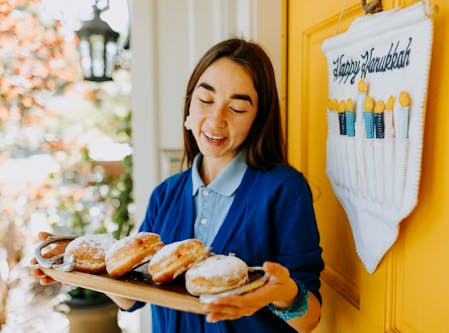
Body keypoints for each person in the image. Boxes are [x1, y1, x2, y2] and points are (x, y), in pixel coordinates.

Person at [33, 38, 324, 333]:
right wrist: (77, 267)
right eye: (206, 100)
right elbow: (132, 297)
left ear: (258, 119)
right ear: (189, 104)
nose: (216, 119)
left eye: (236, 108)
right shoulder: (166, 195)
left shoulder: (283, 189)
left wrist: (284, 292)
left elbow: (309, 318)